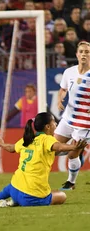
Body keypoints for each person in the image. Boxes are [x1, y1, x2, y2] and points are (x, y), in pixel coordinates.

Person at [0, 112, 87, 207]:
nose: (56, 125)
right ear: (47, 127)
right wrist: (74, 147)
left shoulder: (27, 139)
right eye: (54, 122)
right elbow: (58, 147)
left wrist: (2, 144)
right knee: (62, 196)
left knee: (11, 187)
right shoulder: (47, 139)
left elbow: (11, 148)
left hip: (15, 189)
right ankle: (13, 201)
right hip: (31, 197)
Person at [54, 41, 90, 190]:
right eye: (81, 51)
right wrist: (59, 98)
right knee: (53, 148)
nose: (83, 54)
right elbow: (62, 89)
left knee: (72, 154)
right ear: (76, 54)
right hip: (68, 119)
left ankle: (71, 182)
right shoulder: (69, 72)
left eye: (87, 52)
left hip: (84, 123)